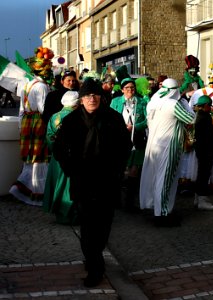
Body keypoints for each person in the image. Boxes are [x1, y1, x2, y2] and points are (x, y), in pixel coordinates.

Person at [52, 78, 132, 287]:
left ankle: (94, 257)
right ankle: (95, 264)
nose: (92, 99)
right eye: (87, 95)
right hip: (83, 180)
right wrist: (71, 169)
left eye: (95, 95)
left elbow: (126, 146)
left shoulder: (113, 119)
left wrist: (117, 169)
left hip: (107, 181)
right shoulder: (72, 121)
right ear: (81, 99)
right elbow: (58, 149)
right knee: (87, 226)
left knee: (104, 225)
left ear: (101, 97)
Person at [140, 78, 195, 226]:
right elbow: (191, 118)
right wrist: (185, 103)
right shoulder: (173, 104)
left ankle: (160, 210)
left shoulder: (153, 102)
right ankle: (162, 214)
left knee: (157, 178)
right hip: (168, 146)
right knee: (165, 180)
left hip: (154, 145)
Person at [9, 53, 52, 206]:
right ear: (43, 70)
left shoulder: (26, 85)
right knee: (40, 156)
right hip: (38, 122)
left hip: (28, 122)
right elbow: (43, 109)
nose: (50, 71)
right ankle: (34, 191)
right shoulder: (41, 86)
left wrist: (22, 126)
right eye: (48, 68)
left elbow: (21, 109)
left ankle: (22, 187)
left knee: (31, 157)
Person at [43, 91, 80, 224]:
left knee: (57, 184)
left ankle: (59, 214)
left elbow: (49, 136)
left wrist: (56, 150)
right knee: (69, 186)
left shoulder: (54, 117)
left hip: (57, 158)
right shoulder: (77, 117)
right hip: (72, 158)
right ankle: (71, 215)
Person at [110, 78, 147, 211]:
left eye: (132, 88)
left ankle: (130, 203)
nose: (130, 90)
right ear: (122, 90)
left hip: (137, 140)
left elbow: (147, 120)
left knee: (134, 172)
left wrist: (135, 127)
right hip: (119, 140)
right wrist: (120, 127)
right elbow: (110, 119)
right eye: (127, 88)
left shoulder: (142, 102)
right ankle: (116, 201)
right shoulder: (115, 101)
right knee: (119, 171)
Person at [192, 95, 213, 210]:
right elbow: (207, 137)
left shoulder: (199, 115)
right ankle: (202, 199)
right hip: (205, 150)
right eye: (210, 105)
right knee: (204, 174)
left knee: (201, 173)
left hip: (202, 149)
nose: (211, 107)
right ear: (206, 105)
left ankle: (198, 197)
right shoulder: (204, 117)